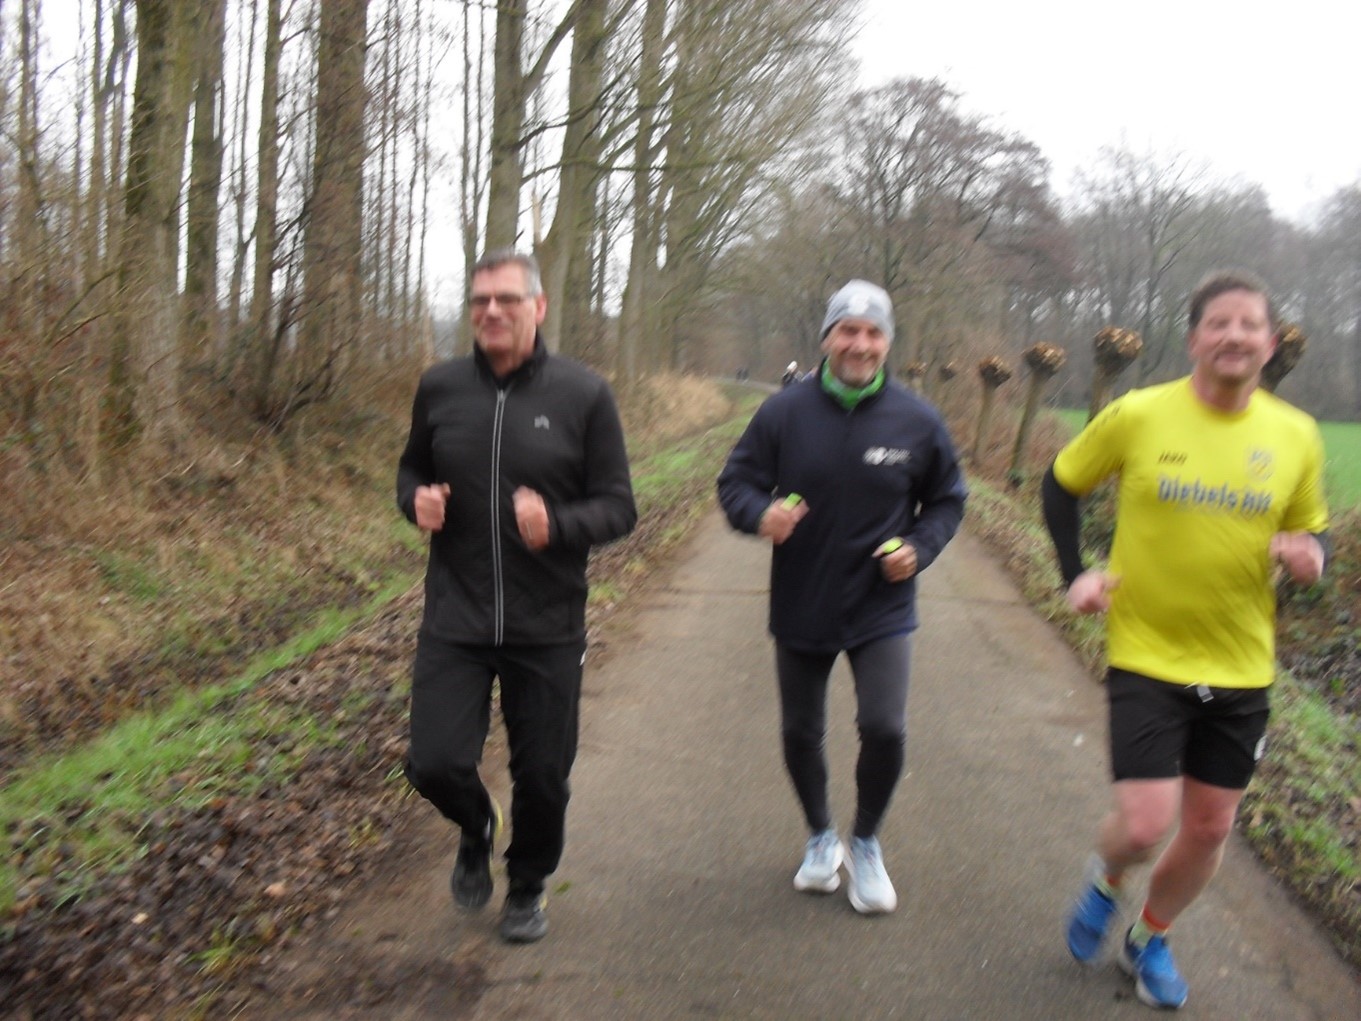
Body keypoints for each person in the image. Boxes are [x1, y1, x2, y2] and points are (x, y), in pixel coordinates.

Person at [1044, 269, 1330, 1009]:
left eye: (1249, 325)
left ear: (1269, 344)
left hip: (1240, 665)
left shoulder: (1294, 434)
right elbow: (1060, 481)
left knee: (1209, 827)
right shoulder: (1139, 415)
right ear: (1193, 337)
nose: (1234, 335)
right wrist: (1074, 573)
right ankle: (1107, 881)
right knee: (1143, 826)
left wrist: (1310, 558)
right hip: (1146, 653)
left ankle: (1148, 937)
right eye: (1218, 323)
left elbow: (1309, 532)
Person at [396, 249, 636, 944]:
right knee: (433, 760)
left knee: (543, 776)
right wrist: (416, 499)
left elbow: (619, 507)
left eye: (505, 299)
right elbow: (412, 464)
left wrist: (556, 526)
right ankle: (475, 823)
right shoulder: (439, 387)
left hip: (547, 624)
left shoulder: (583, 393)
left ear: (537, 307)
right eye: (479, 302)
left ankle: (527, 884)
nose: (490, 312)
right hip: (456, 615)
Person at [717, 279, 966, 915]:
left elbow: (946, 499)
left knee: (883, 727)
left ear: (887, 342)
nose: (860, 344)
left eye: (873, 332)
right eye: (847, 331)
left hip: (881, 604)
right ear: (827, 339)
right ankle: (821, 836)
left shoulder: (918, 419)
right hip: (802, 597)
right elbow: (736, 482)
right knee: (801, 730)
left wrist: (919, 547)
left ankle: (866, 842)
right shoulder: (784, 413)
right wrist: (758, 515)